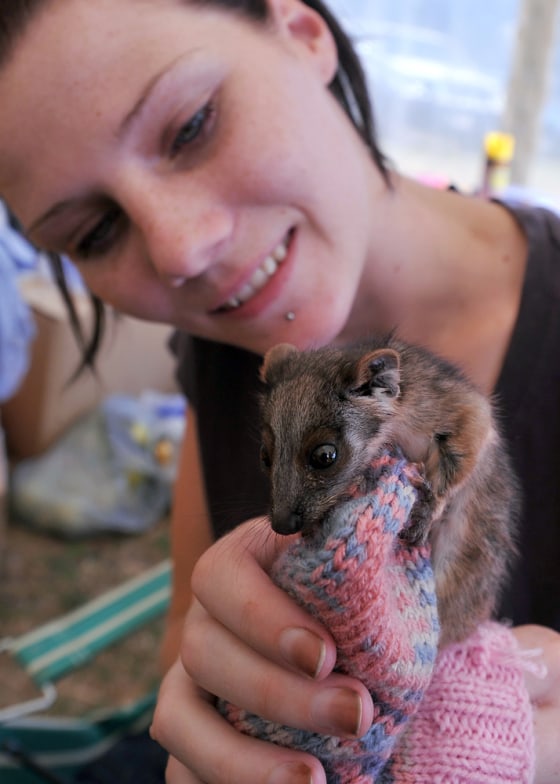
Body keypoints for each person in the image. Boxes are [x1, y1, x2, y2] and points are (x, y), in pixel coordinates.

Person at [0, 0, 559, 781]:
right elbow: (184, 658)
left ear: (302, 31)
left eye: (191, 124)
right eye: (94, 233)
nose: (183, 249)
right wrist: (212, 711)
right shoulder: (233, 351)